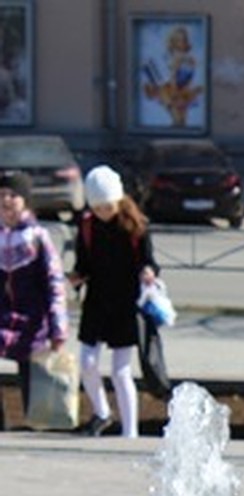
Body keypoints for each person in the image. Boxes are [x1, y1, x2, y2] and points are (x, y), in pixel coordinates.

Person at [70, 165, 158, 437]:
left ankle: (130, 433)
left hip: (125, 304)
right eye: (97, 208)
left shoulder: (136, 226)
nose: (103, 213)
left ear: (118, 200)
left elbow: (149, 261)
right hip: (96, 301)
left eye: (107, 207)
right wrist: (76, 277)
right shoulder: (87, 226)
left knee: (121, 371)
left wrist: (148, 272)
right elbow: (83, 264)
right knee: (86, 363)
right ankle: (102, 413)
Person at [0, 169, 68, 429]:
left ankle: (34, 423)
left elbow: (54, 283)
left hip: (31, 319)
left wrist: (58, 327)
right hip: (1, 316)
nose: (6, 201)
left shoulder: (38, 236)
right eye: (2, 194)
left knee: (31, 373)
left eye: (13, 195)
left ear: (25, 200)